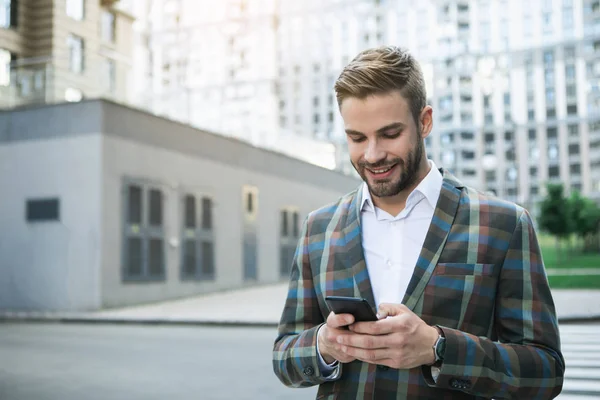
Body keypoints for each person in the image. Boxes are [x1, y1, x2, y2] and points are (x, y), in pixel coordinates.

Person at [272, 46, 564, 399]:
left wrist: (438, 348)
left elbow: (545, 373)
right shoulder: (319, 228)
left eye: (390, 134)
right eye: (357, 138)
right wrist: (325, 344)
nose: (373, 154)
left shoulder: (504, 224)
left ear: (424, 121)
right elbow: (284, 356)